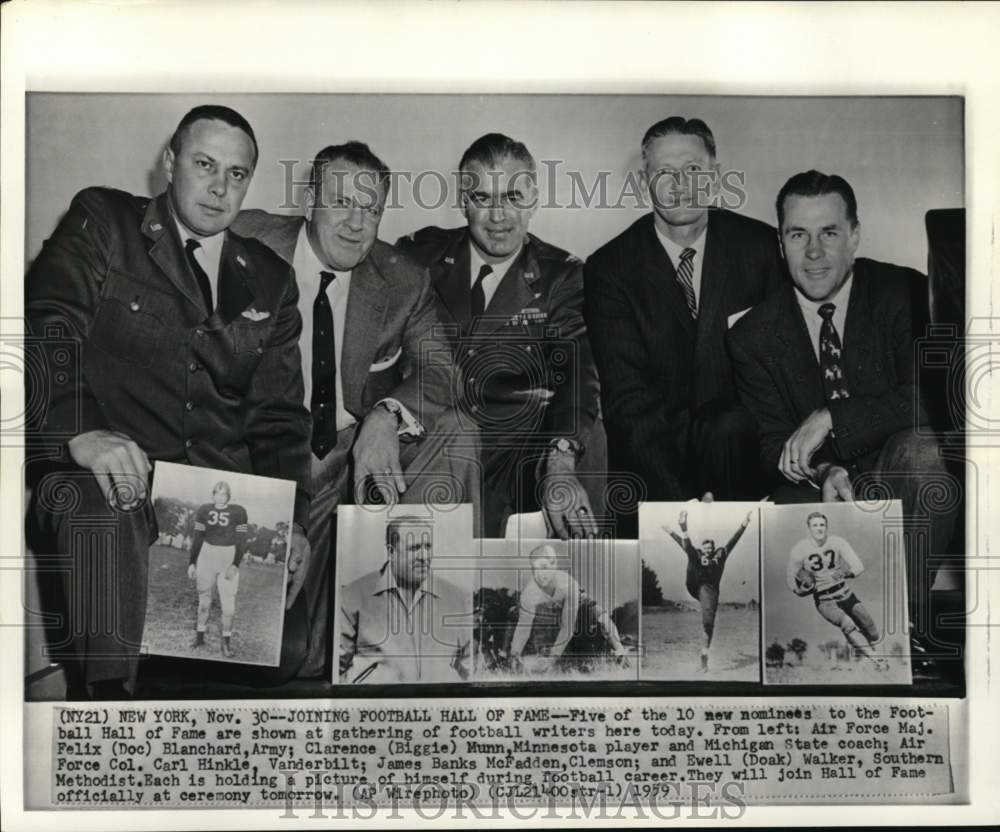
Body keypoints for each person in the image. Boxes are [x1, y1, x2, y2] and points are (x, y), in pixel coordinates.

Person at [25, 105, 312, 697]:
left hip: (210, 499)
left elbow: (279, 420)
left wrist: (295, 523)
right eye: (205, 165)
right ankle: (108, 711)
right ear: (170, 162)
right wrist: (82, 430)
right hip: (108, 482)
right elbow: (45, 326)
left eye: (237, 174)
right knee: (104, 508)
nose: (219, 187)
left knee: (288, 650)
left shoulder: (271, 277)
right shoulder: (105, 221)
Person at [233, 141, 478, 677]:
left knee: (457, 430)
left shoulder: (402, 278)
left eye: (371, 209)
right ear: (309, 200)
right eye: (342, 202)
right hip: (261, 459)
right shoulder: (244, 237)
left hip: (346, 461)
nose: (356, 223)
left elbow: (442, 371)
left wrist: (385, 414)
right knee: (279, 656)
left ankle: (416, 643)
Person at [727, 170, 958, 648]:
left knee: (926, 452)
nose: (814, 252)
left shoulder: (909, 293)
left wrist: (833, 417)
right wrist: (823, 469)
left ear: (854, 235)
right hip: (816, 492)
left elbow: (937, 398)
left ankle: (902, 629)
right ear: (781, 244)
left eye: (829, 233)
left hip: (898, 471)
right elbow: (772, 442)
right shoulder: (751, 334)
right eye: (798, 235)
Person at [397, 133, 603, 539]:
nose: (498, 216)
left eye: (513, 196)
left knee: (591, 441)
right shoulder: (420, 256)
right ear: (463, 201)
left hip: (518, 449)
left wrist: (561, 458)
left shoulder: (560, 276)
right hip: (436, 439)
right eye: (482, 198)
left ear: (534, 200)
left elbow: (578, 373)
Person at [584, 117, 785, 532]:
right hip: (656, 474)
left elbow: (781, 380)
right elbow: (629, 405)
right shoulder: (609, 268)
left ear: (715, 176)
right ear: (644, 183)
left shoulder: (763, 248)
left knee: (729, 426)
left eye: (693, 169)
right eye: (664, 172)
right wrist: (683, 509)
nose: (680, 185)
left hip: (747, 466)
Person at [338, 516, 470, 683]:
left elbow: (470, 669)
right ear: (391, 552)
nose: (424, 556)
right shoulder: (352, 596)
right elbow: (337, 671)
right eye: (414, 548)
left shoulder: (457, 599)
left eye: (428, 547)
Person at [786, 512, 887, 671]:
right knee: (847, 625)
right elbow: (790, 576)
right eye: (815, 525)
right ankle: (876, 660)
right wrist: (799, 591)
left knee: (872, 631)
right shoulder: (800, 549)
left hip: (845, 592)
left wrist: (846, 573)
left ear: (827, 527)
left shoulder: (837, 542)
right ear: (809, 528)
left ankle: (876, 656)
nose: (819, 528)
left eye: (822, 525)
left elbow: (858, 566)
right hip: (824, 600)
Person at [508, 543, 628, 674]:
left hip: (579, 606)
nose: (539, 574)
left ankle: (620, 651)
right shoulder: (529, 592)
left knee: (602, 620)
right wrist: (515, 653)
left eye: (543, 567)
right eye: (534, 569)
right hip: (555, 613)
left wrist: (552, 659)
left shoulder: (568, 585)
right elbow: (523, 627)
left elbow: (568, 628)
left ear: (554, 565)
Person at [661, 508, 752, 670]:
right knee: (691, 552)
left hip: (709, 590)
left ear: (713, 548)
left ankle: (704, 655)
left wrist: (744, 524)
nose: (707, 551)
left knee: (708, 625)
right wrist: (671, 532)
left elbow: (733, 540)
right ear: (703, 549)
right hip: (694, 583)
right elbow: (684, 546)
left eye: (710, 548)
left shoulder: (720, 554)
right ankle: (684, 526)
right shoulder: (698, 553)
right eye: (705, 549)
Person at [187, 481, 249, 658]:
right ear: (212, 494)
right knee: (204, 602)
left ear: (228, 496)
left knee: (228, 607)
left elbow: (241, 541)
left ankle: (226, 643)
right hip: (206, 555)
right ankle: (199, 638)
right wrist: (192, 562)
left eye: (224, 493)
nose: (220, 497)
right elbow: (198, 537)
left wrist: (235, 564)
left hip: (228, 557)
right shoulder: (203, 510)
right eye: (217, 493)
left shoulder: (239, 511)